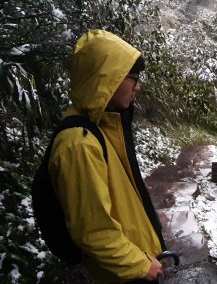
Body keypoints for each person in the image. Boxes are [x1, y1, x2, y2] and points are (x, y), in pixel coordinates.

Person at [48, 30, 166, 283]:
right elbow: (92, 230)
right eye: (132, 78)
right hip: (123, 273)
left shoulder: (101, 127)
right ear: (108, 79)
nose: (138, 86)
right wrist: (139, 265)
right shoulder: (79, 144)